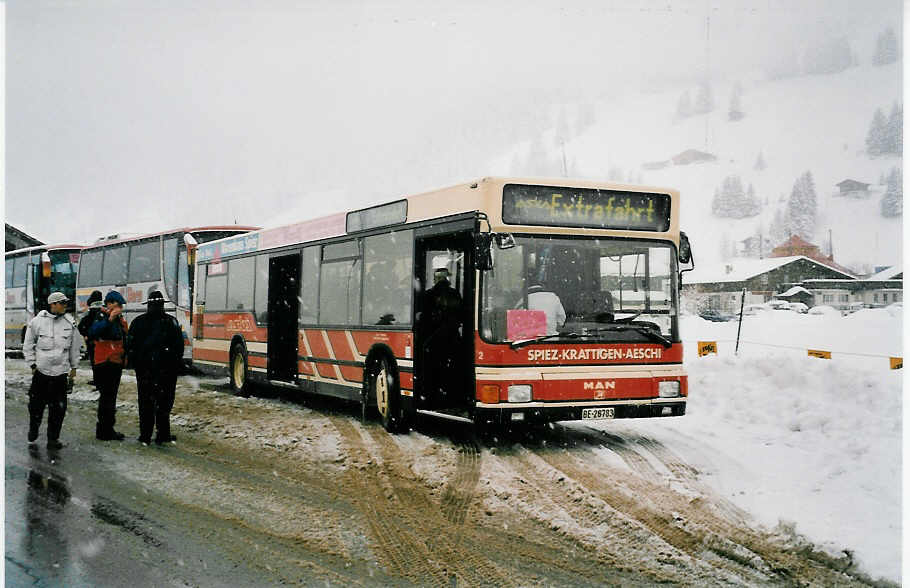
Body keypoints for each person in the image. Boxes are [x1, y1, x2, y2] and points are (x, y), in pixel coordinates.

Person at [22, 292, 82, 449]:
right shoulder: (37, 322)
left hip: (60, 374)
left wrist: (74, 367)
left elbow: (74, 348)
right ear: (52, 304)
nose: (65, 306)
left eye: (65, 303)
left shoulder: (70, 323)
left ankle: (53, 439)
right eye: (62, 303)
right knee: (36, 407)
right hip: (41, 373)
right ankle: (33, 430)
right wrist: (32, 365)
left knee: (58, 410)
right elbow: (28, 345)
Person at [125, 291, 185, 446]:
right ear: (163, 304)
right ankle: (163, 433)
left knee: (145, 402)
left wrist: (137, 363)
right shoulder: (171, 322)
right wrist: (174, 364)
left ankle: (145, 435)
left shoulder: (138, 322)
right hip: (167, 370)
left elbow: (130, 345)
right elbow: (179, 347)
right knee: (164, 402)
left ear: (148, 305)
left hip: (145, 370)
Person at [88, 291, 128, 441]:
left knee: (110, 398)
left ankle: (108, 428)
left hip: (115, 362)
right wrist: (109, 319)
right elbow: (93, 332)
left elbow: (124, 338)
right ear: (109, 304)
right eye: (118, 305)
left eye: (121, 306)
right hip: (105, 362)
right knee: (107, 398)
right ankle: (104, 430)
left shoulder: (119, 320)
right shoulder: (101, 316)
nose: (120, 308)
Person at [418, 267, 463, 398]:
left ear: (435, 279)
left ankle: (432, 391)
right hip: (451, 336)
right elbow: (461, 314)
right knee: (451, 365)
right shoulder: (454, 294)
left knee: (432, 366)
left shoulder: (428, 295)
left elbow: (423, 317)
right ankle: (449, 390)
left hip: (433, 338)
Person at [77, 290, 104, 384]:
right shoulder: (104, 310)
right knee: (102, 361)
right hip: (102, 341)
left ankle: (97, 380)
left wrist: (85, 335)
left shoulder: (89, 312)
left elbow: (80, 326)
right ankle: (102, 380)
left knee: (94, 360)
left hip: (91, 340)